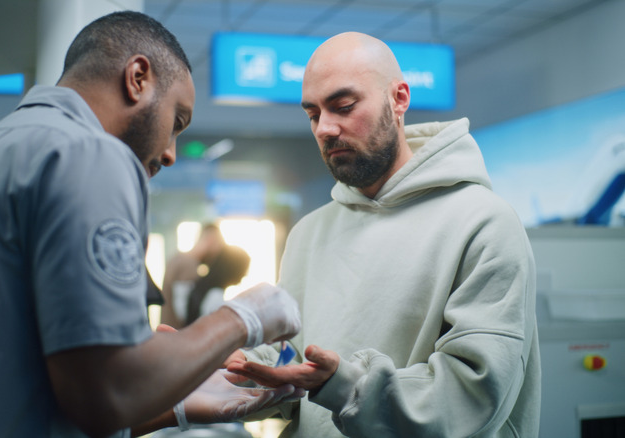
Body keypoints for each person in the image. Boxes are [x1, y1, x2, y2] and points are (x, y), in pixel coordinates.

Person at [0, 11, 303, 438]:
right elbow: (108, 393)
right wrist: (244, 317)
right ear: (137, 78)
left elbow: (15, 382)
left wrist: (172, 405)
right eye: (177, 122)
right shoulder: (90, 154)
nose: (171, 152)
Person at [226, 32, 541, 437]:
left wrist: (341, 386)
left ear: (399, 99)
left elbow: (472, 396)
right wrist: (237, 369)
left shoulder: (483, 223)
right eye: (312, 114)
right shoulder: (309, 233)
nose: (324, 128)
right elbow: (295, 358)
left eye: (342, 106)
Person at [160, 224, 226, 328]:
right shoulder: (189, 265)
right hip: (178, 334)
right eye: (219, 247)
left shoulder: (177, 258)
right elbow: (185, 311)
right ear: (211, 240)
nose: (217, 255)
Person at [184, 244, 251, 325]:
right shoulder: (216, 297)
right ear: (233, 268)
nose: (245, 274)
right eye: (244, 268)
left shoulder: (203, 289)